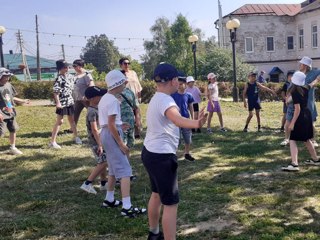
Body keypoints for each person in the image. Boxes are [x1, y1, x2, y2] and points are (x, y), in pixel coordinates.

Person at [141, 63, 208, 240]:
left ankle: (154, 233)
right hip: (162, 157)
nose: (179, 83)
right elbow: (176, 119)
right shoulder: (166, 101)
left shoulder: (156, 97)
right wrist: (196, 123)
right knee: (170, 204)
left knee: (156, 194)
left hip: (150, 153)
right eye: (178, 79)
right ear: (172, 81)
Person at [99, 69, 145, 218]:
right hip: (112, 135)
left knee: (112, 169)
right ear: (117, 84)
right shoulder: (112, 100)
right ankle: (127, 207)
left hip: (106, 134)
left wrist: (120, 124)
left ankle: (109, 199)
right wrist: (121, 144)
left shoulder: (105, 98)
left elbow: (109, 122)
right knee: (125, 171)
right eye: (123, 82)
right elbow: (111, 124)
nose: (125, 85)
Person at [281, 71, 320, 171]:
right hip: (307, 114)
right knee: (307, 139)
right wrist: (317, 79)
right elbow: (312, 83)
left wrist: (292, 123)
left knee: (292, 139)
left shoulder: (295, 92)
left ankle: (294, 164)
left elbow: (297, 109)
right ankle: (315, 159)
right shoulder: (305, 88)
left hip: (300, 117)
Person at [282, 57, 320, 147]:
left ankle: (313, 140)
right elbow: (291, 86)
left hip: (307, 102)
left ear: (306, 66)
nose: (300, 65)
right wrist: (287, 97)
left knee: (310, 122)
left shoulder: (314, 73)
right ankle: (287, 139)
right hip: (294, 102)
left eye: (302, 64)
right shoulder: (296, 73)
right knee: (288, 121)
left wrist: (317, 79)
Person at [80, 86, 108, 194]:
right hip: (96, 141)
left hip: (100, 140)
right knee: (104, 162)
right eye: (99, 95)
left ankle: (104, 183)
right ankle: (87, 183)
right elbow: (94, 129)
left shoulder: (96, 109)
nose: (101, 96)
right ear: (91, 98)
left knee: (103, 161)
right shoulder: (91, 111)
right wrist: (100, 144)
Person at [49, 60, 82, 149]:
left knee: (72, 120)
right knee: (60, 121)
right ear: (60, 68)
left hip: (70, 101)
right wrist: (58, 103)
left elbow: (78, 76)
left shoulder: (70, 76)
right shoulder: (59, 79)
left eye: (67, 67)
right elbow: (56, 92)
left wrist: (84, 71)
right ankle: (52, 142)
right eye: (64, 67)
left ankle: (76, 137)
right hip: (62, 103)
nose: (67, 68)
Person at [0, 68, 30, 155]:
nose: (7, 78)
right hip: (2, 114)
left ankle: (12, 147)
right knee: (1, 132)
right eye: (5, 76)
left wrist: (23, 100)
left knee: (13, 129)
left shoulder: (9, 85)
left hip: (10, 112)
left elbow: (12, 98)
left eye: (8, 76)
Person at [171, 73, 195, 161]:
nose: (179, 86)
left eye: (181, 84)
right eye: (178, 84)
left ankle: (187, 153)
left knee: (187, 138)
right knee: (177, 138)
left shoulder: (189, 96)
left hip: (186, 120)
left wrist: (192, 119)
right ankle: (174, 155)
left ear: (186, 85)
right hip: (176, 120)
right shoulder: (173, 95)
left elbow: (191, 107)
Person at [119, 57, 143, 138]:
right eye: (125, 63)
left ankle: (137, 132)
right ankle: (128, 132)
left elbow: (138, 85)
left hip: (135, 96)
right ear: (121, 65)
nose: (127, 65)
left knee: (137, 114)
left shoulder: (133, 73)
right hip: (125, 98)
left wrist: (139, 96)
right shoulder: (119, 74)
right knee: (129, 115)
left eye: (128, 63)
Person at [119, 70, 141, 149]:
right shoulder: (113, 93)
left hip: (130, 121)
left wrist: (137, 120)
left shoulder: (129, 92)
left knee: (130, 143)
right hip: (120, 123)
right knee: (122, 143)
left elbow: (136, 107)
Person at [71, 59, 95, 131]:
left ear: (80, 66)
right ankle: (72, 129)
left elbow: (91, 85)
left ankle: (96, 127)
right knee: (74, 114)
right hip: (78, 99)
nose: (74, 67)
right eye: (73, 66)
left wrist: (87, 96)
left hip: (86, 99)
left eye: (75, 66)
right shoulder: (76, 75)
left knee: (92, 113)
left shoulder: (86, 74)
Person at [280, 71, 294, 146]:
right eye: (290, 76)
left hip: (292, 103)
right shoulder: (286, 84)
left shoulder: (295, 84)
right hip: (287, 102)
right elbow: (283, 93)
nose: (292, 77)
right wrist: (285, 99)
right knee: (285, 115)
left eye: (293, 75)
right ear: (288, 76)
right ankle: (282, 127)